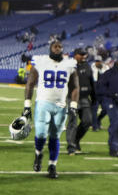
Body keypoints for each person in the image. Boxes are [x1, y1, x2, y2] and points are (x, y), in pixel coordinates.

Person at [21, 40, 78, 178]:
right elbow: (30, 83)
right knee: (40, 134)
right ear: (50, 48)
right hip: (43, 103)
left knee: (55, 136)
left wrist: (74, 106)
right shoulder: (40, 61)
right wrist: (27, 105)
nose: (57, 49)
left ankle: (52, 165)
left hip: (60, 105)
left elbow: (75, 86)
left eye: (60, 47)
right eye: (55, 46)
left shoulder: (69, 64)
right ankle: (38, 153)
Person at [65, 47, 96, 155]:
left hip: (84, 98)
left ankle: (75, 140)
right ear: (75, 55)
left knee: (88, 121)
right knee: (73, 121)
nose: (84, 56)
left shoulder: (87, 66)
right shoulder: (68, 65)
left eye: (85, 54)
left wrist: (94, 97)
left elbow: (91, 82)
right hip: (72, 97)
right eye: (81, 54)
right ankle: (71, 147)